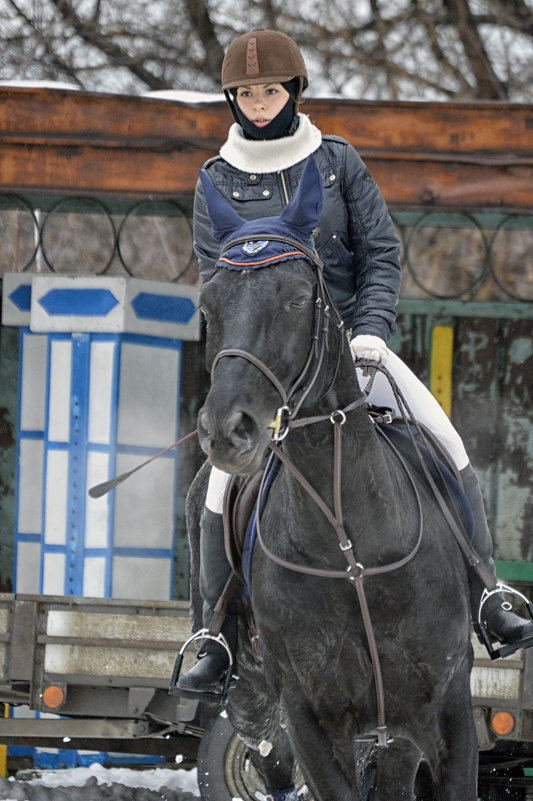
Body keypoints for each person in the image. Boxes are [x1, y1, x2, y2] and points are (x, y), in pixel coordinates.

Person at [175, 28, 533, 697]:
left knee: (444, 440)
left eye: (269, 90)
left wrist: (367, 332)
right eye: (245, 92)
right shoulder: (215, 179)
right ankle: (214, 633)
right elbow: (217, 281)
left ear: (293, 91)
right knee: (214, 485)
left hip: (350, 353)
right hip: (270, 367)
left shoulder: (336, 161)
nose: (257, 103)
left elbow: (379, 253)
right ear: (231, 98)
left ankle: (487, 593)